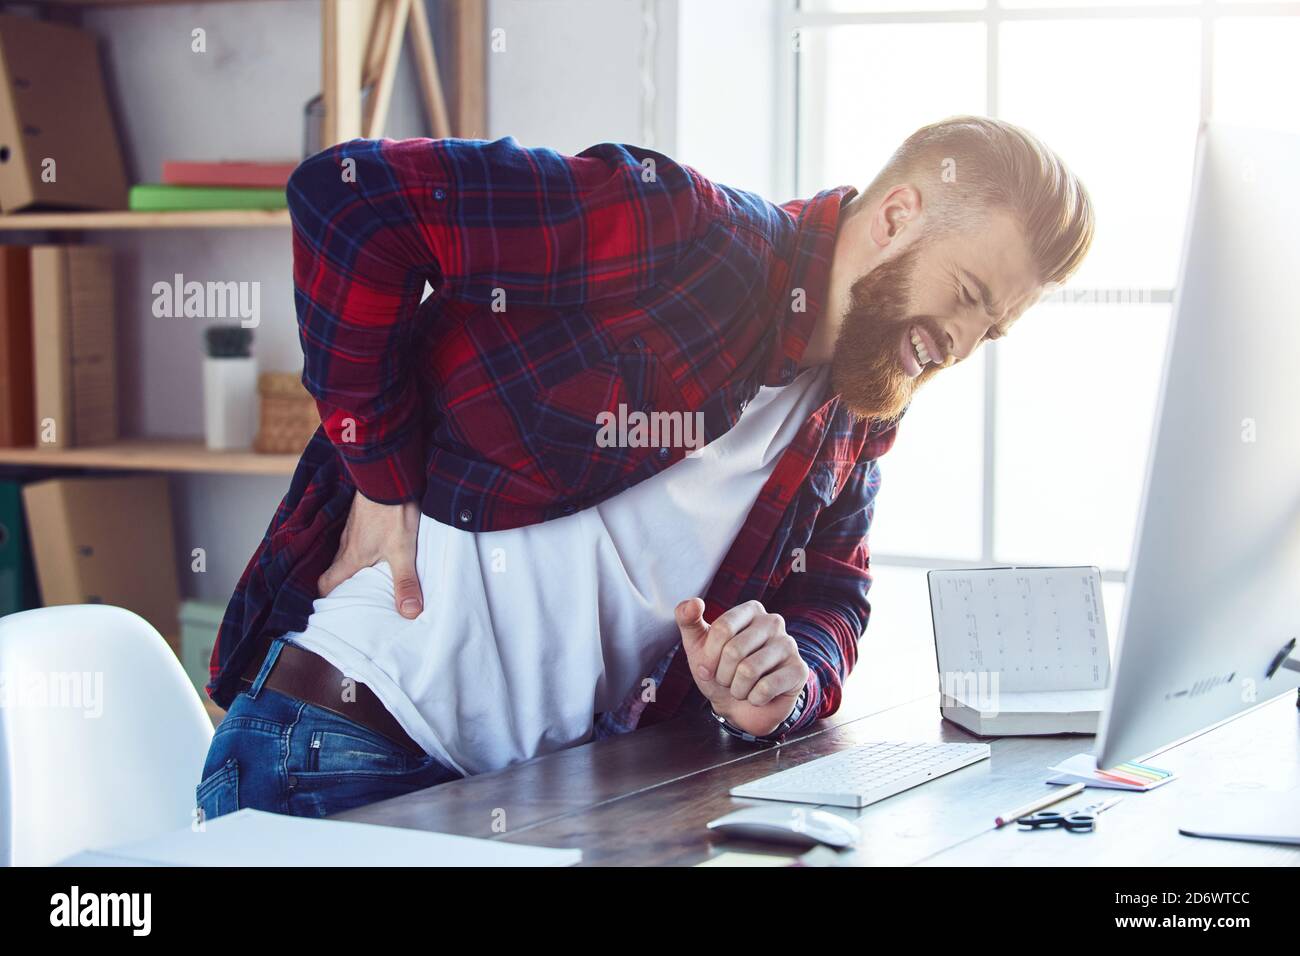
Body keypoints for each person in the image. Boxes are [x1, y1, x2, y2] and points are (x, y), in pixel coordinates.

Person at [195, 115, 1093, 820]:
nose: (963, 346)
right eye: (968, 297)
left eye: (993, 329)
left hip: (514, 798)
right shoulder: (687, 232)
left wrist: (784, 684)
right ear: (898, 217)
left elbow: (833, 596)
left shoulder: (854, 410)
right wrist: (379, 470)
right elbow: (351, 198)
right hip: (334, 748)